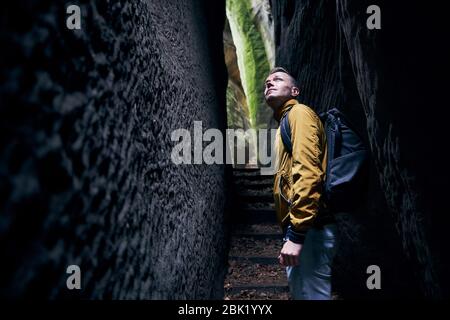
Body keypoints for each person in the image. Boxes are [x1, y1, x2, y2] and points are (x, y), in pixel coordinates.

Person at [264, 67, 338, 300]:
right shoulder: (286, 121)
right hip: (303, 228)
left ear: (294, 90)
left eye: (277, 79)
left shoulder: (299, 114)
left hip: (309, 229)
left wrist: (296, 235)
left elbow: (308, 173)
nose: (269, 83)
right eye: (266, 81)